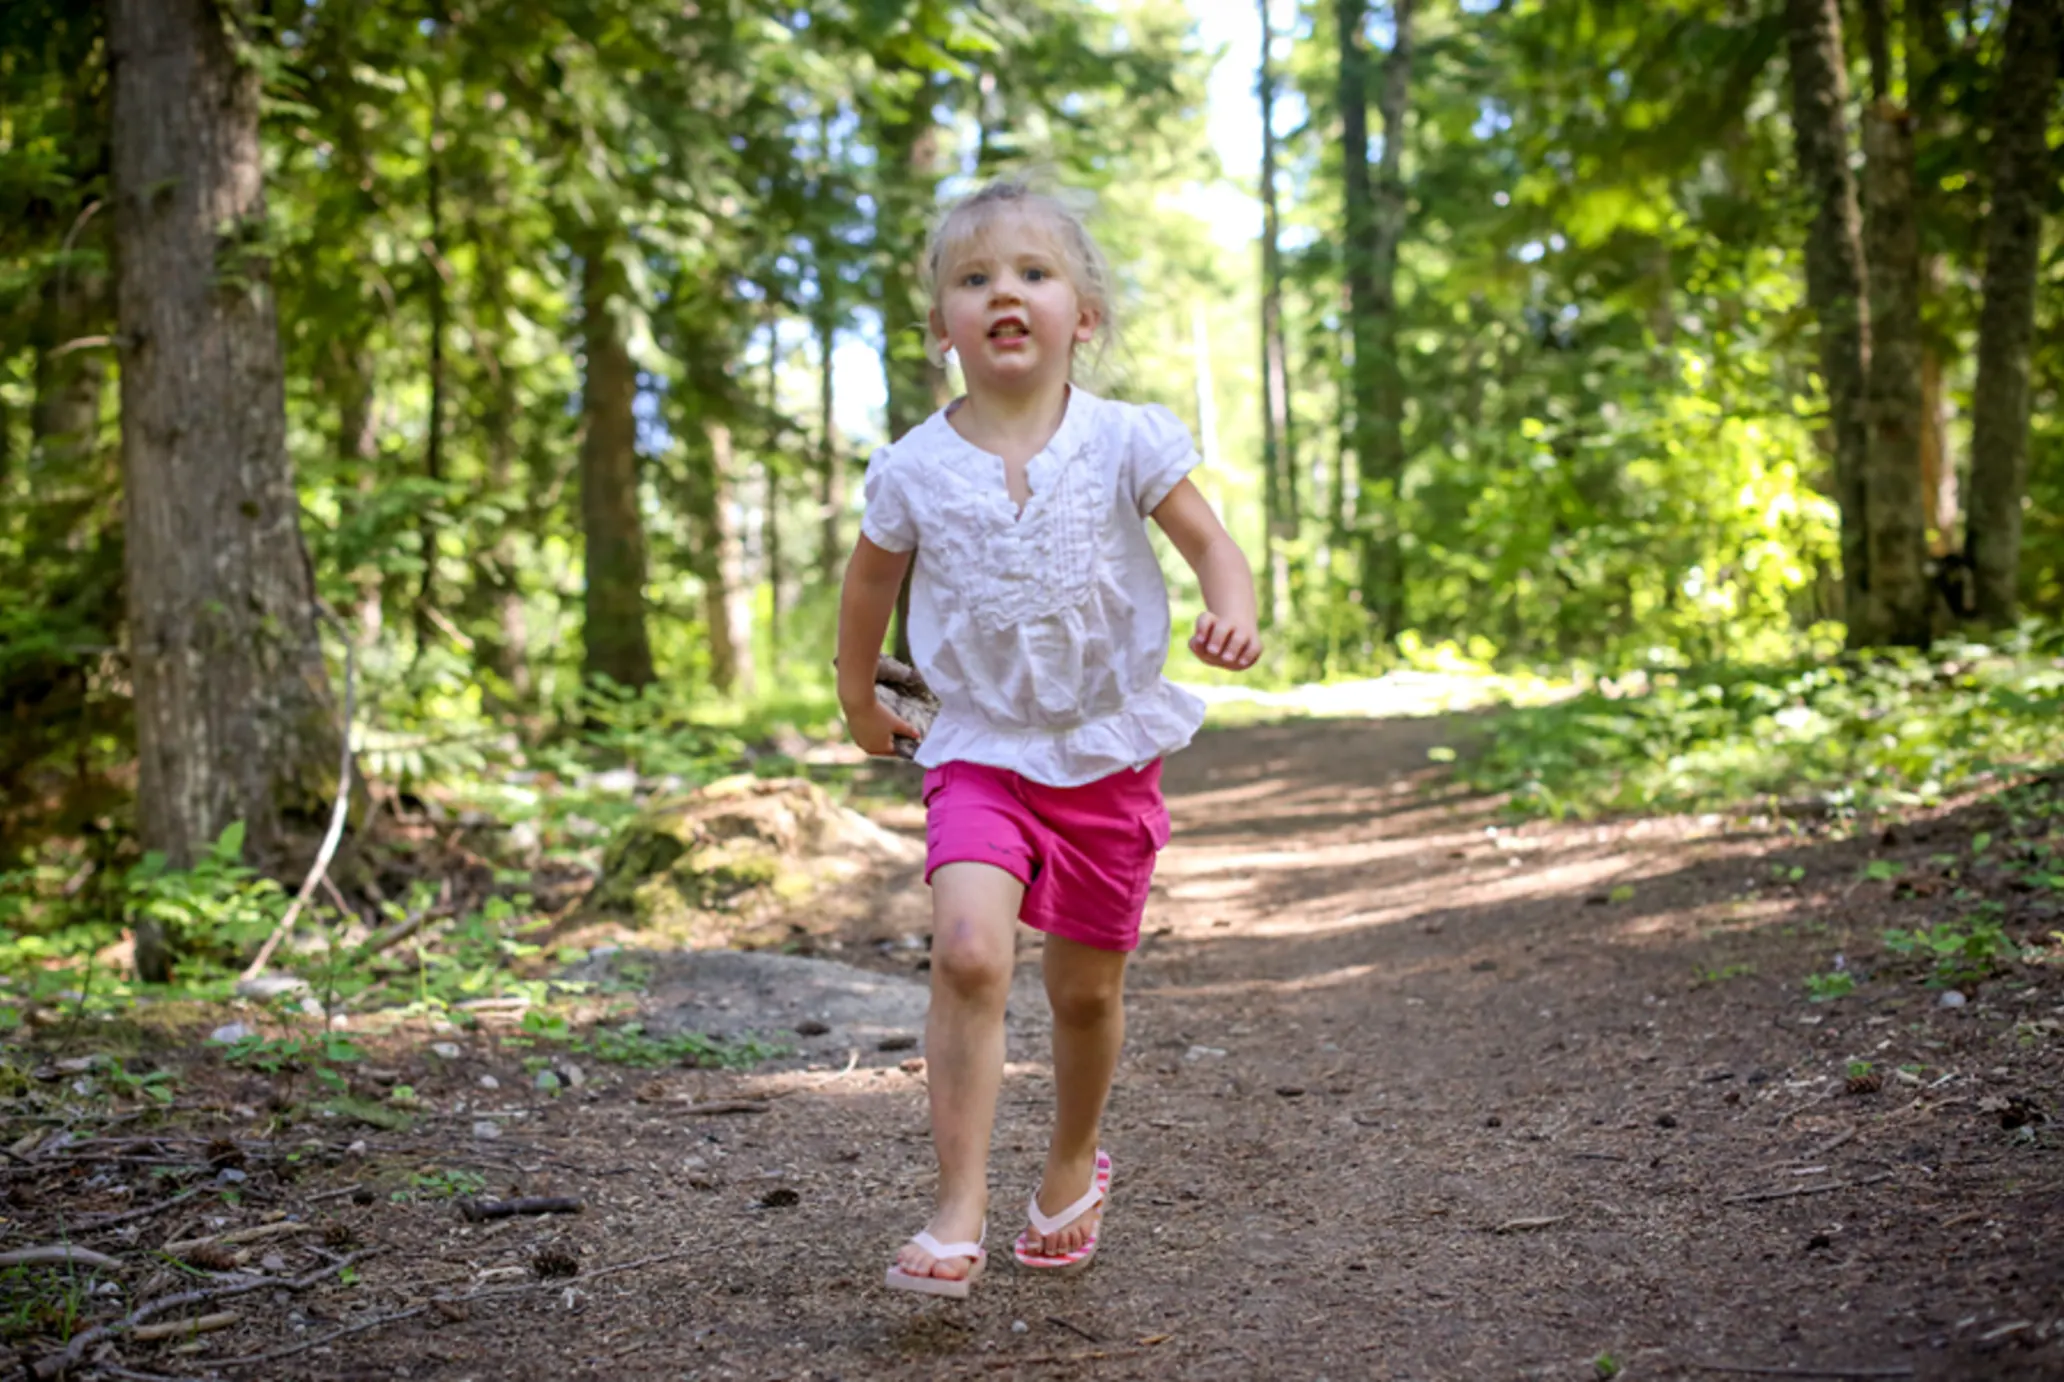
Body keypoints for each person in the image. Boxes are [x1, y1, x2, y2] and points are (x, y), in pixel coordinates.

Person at [835, 180, 1260, 1298]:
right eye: (973, 279)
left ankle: (1072, 1157)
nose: (1003, 294)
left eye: (1032, 273)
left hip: (1105, 751)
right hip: (977, 743)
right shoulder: (914, 467)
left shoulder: (1126, 440)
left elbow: (1213, 544)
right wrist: (855, 692)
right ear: (943, 326)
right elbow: (869, 585)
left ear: (1086, 314)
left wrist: (1235, 606)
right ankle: (957, 1202)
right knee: (971, 949)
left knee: (1084, 991)